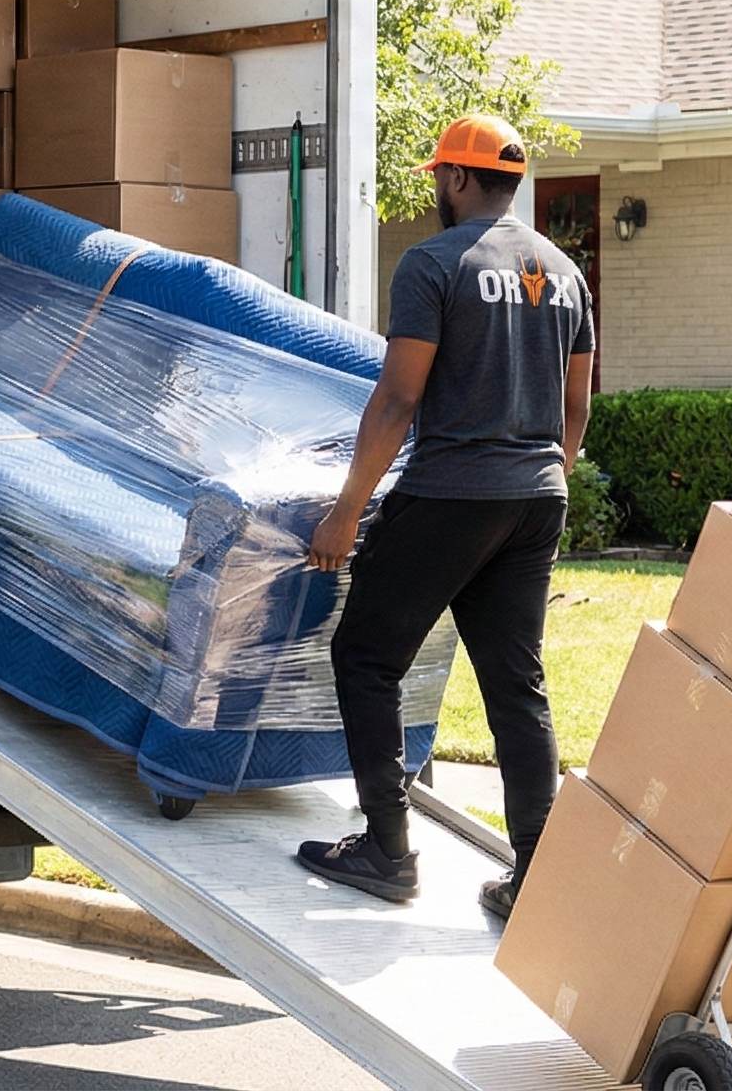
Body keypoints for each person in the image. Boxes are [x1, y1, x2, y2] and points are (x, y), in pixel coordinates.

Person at [293, 113, 593, 919]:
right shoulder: (564, 271)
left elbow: (398, 397)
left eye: (436, 177)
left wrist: (346, 514)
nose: (435, 190)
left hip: (456, 490)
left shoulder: (433, 264)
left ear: (457, 179)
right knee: (516, 684)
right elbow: (577, 402)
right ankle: (537, 874)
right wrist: (542, 480)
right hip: (536, 497)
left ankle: (387, 850)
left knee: (365, 655)